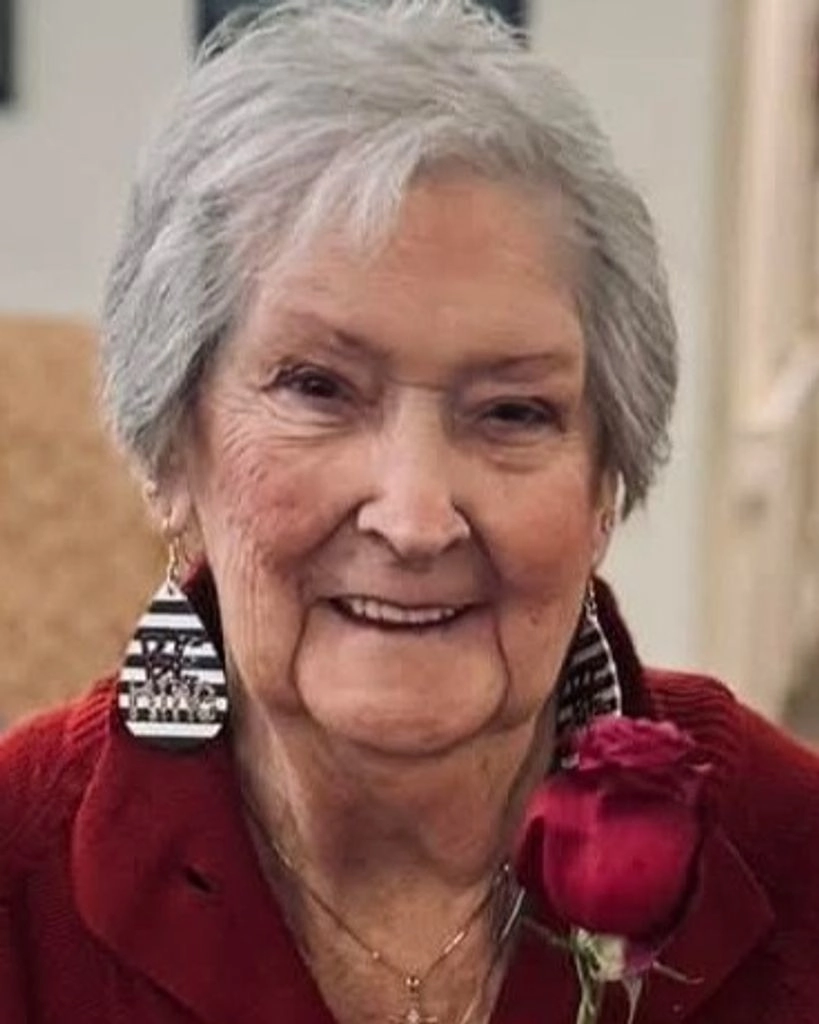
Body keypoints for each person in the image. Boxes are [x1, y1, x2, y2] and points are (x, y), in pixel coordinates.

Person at [1, 1, 817, 1021]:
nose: (416, 517)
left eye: (513, 412)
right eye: (318, 389)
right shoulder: (18, 887)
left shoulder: (791, 860)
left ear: (606, 486)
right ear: (171, 449)